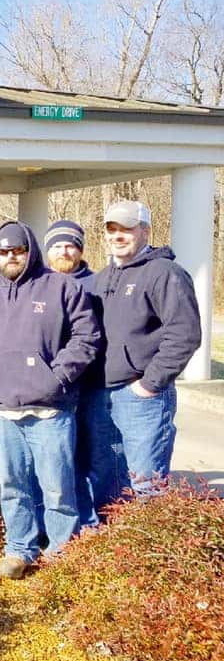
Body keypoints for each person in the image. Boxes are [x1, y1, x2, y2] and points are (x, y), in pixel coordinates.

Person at [0, 221, 100, 579]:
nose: (11, 257)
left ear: (30, 251)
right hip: (1, 411)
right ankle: (19, 549)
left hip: (49, 412)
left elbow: (86, 337)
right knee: (12, 487)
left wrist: (57, 378)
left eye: (18, 250)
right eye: (4, 251)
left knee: (57, 488)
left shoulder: (62, 288)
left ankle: (60, 552)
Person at [86, 200, 201, 501]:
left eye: (126, 229)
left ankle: (148, 544)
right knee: (108, 481)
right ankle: (114, 546)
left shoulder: (164, 273)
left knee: (146, 484)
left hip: (142, 399)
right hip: (103, 395)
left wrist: (149, 385)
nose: (117, 236)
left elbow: (185, 334)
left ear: (146, 231)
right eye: (111, 229)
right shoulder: (101, 278)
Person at [44, 219, 99, 527]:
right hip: (49, 390)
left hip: (90, 387)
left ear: (80, 250)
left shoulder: (97, 284)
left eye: (70, 245)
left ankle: (88, 525)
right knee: (54, 463)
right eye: (57, 245)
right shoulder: (36, 285)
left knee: (86, 459)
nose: (63, 251)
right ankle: (51, 524)